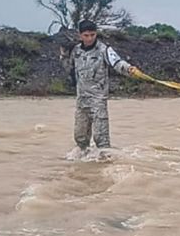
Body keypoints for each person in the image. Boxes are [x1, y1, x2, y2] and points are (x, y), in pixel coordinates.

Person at [60, 20, 142, 153]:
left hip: (98, 100)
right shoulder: (76, 51)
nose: (90, 38)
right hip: (81, 100)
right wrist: (63, 55)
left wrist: (129, 69)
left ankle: (105, 164)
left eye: (92, 35)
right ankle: (84, 166)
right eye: (86, 35)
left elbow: (117, 62)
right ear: (80, 35)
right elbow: (69, 68)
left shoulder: (104, 49)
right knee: (80, 137)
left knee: (101, 138)